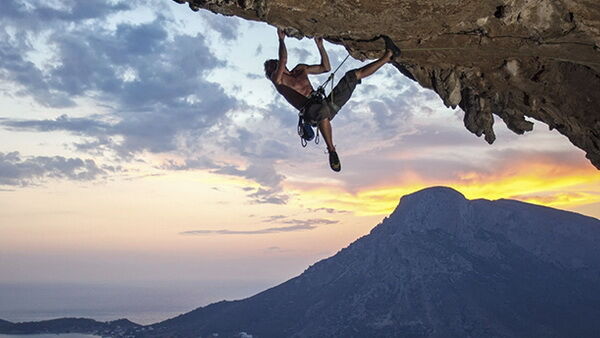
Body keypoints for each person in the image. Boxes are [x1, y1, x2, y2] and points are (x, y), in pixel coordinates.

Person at [264, 28, 400, 172]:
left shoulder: (300, 69)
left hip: (325, 105)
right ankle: (331, 150)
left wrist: (320, 46)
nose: (276, 66)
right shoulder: (278, 80)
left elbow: (326, 67)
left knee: (352, 76)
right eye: (272, 67)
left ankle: (389, 55)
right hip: (311, 113)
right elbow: (284, 58)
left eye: (274, 64)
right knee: (321, 111)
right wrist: (281, 40)